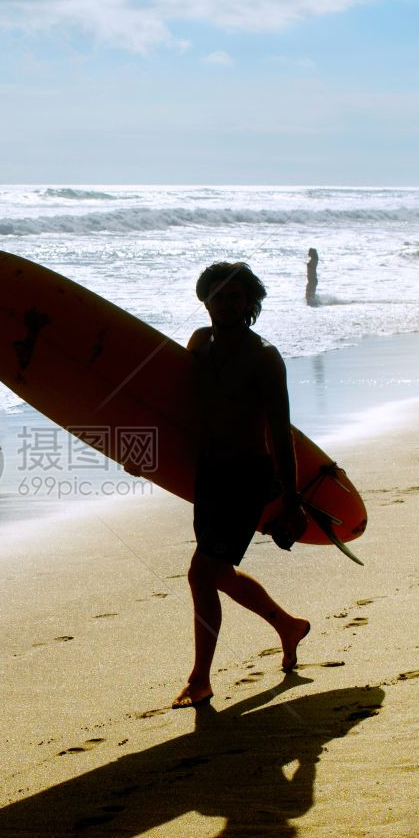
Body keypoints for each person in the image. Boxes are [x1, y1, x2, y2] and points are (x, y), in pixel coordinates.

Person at [173, 262, 310, 709]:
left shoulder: (263, 357)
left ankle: (200, 678)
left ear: (250, 303)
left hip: (248, 476)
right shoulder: (200, 343)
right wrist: (143, 454)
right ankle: (288, 626)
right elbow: (179, 408)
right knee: (217, 573)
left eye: (237, 296)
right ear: (204, 299)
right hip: (208, 474)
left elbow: (280, 432)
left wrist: (291, 502)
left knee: (201, 573)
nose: (227, 303)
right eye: (219, 295)